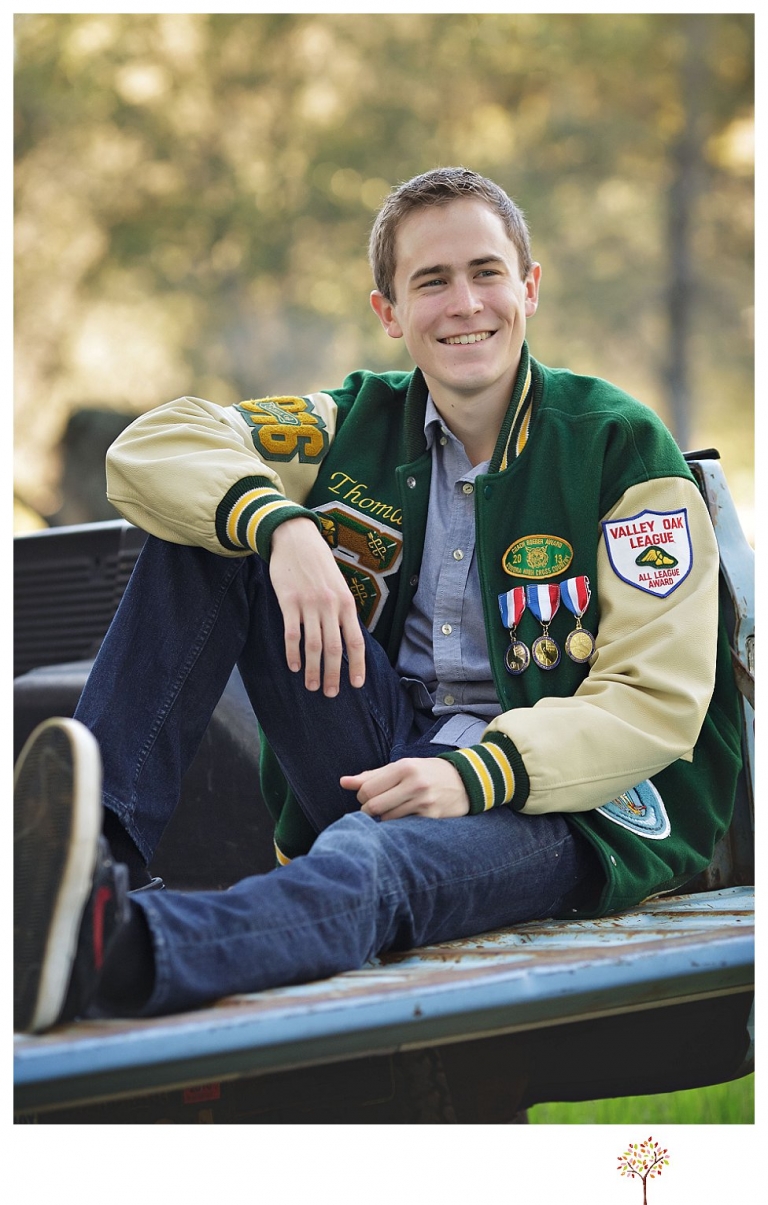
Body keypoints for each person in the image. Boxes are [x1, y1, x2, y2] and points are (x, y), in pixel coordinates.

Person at [14, 167, 742, 1034]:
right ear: (390, 312)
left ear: (529, 288)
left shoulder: (617, 445)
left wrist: (476, 774)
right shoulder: (353, 423)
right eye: (430, 281)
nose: (464, 303)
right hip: (380, 745)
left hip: (563, 802)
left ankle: (119, 946)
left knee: (372, 858)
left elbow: (653, 702)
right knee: (208, 526)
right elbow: (157, 445)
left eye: (485, 272)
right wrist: (281, 528)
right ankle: (86, 864)